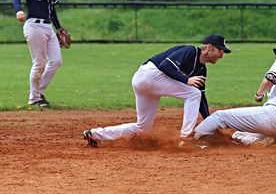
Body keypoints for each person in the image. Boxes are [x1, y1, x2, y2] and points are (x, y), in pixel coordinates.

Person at [82, 34, 231, 147]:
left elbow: (201, 100)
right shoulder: (190, 51)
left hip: (148, 83)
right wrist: (186, 80)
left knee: (143, 129)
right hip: (149, 75)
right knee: (192, 93)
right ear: (210, 47)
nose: (222, 55)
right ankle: (186, 138)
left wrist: (209, 122)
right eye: (220, 50)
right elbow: (165, 66)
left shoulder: (201, 69)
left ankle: (94, 134)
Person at [12, 0, 66, 107]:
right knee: (39, 63)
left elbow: (52, 8)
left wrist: (59, 27)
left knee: (56, 61)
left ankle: (36, 91)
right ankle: (35, 98)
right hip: (34, 26)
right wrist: (18, 10)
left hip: (48, 26)